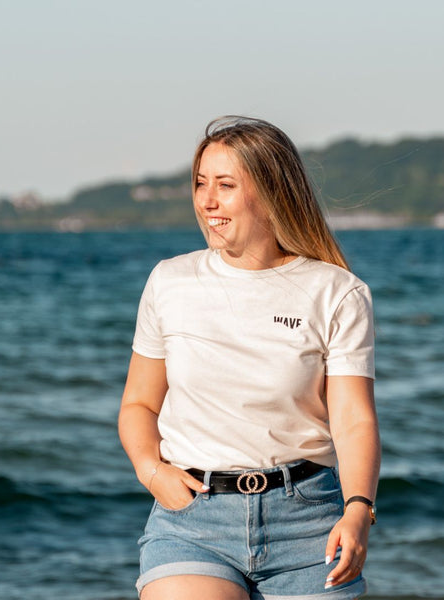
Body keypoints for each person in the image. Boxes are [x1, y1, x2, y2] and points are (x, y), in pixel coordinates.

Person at [118, 116, 380, 600]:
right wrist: (151, 471)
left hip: (309, 522)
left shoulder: (337, 292)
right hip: (193, 520)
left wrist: (358, 509)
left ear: (271, 190)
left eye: (225, 185)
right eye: (200, 184)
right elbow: (139, 404)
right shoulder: (169, 281)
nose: (207, 201)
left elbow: (354, 421)